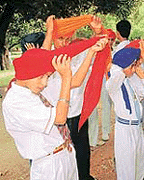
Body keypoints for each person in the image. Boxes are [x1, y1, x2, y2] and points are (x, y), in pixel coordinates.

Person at [40, 15, 109, 180]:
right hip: (59, 121)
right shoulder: (47, 62)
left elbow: (103, 44)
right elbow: (75, 81)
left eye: (67, 38)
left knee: (83, 155)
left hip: (78, 115)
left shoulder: (76, 54)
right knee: (65, 162)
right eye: (60, 39)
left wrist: (98, 30)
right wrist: (49, 32)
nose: (64, 43)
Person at [2, 50, 76, 179]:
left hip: (64, 153)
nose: (45, 83)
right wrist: (66, 77)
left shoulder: (32, 91)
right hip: (48, 165)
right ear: (27, 74)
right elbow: (60, 119)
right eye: (41, 77)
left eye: (47, 77)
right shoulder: (16, 101)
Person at [107, 47, 144, 180]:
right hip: (125, 129)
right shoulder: (115, 81)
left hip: (137, 127)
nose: (137, 67)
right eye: (135, 65)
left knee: (139, 166)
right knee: (127, 170)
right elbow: (112, 84)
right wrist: (123, 69)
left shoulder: (132, 79)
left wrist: (141, 75)